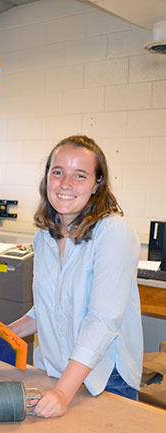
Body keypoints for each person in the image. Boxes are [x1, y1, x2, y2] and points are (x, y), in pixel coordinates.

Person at [9, 135, 143, 418]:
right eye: (58, 172)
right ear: (47, 178)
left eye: (80, 175)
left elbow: (103, 320)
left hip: (104, 380)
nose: (66, 184)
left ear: (97, 184)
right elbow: (47, 307)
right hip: (56, 371)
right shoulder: (44, 236)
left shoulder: (113, 233)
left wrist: (62, 393)